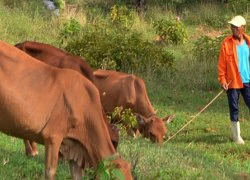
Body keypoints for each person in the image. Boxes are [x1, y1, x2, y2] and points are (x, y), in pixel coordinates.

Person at [218, 15, 250, 145]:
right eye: (232, 26)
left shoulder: (248, 42)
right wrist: (222, 79)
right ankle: (236, 137)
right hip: (233, 82)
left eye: (236, 27)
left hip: (248, 80)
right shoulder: (226, 43)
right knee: (234, 107)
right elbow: (221, 64)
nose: (233, 29)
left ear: (243, 28)